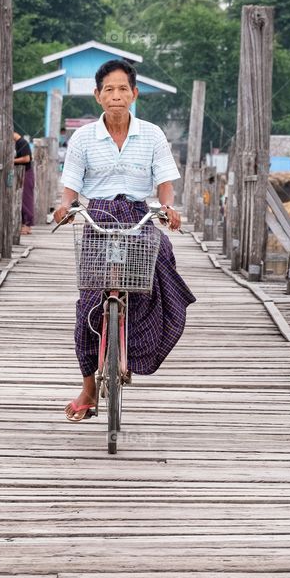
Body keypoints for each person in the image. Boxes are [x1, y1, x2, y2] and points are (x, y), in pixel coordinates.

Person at [54, 58, 196, 422]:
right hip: (99, 216)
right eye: (109, 90)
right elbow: (70, 185)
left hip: (139, 215)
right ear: (98, 96)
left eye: (123, 89)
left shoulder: (152, 134)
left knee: (160, 258)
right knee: (87, 304)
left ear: (134, 94)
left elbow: (164, 180)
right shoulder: (83, 137)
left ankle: (131, 347)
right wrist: (64, 206)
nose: (116, 96)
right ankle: (88, 388)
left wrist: (168, 208)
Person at [13, 131, 34, 235]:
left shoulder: (22, 142)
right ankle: (23, 224)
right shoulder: (17, 144)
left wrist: (11, 160)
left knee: (26, 199)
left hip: (26, 173)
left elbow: (27, 158)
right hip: (20, 174)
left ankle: (27, 225)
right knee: (21, 199)